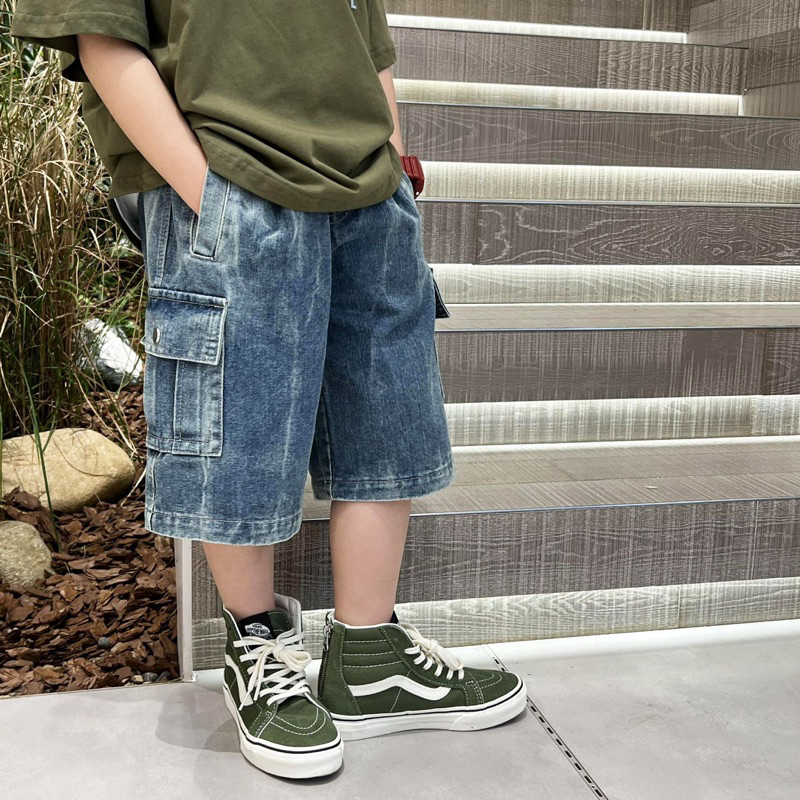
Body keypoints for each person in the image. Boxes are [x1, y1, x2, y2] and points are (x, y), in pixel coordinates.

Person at [10, 0, 528, 780]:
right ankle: (257, 646)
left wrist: (395, 167)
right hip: (229, 176)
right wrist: (206, 194)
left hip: (370, 192)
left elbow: (369, 45)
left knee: (385, 424)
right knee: (238, 429)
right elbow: (103, 36)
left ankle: (371, 657)